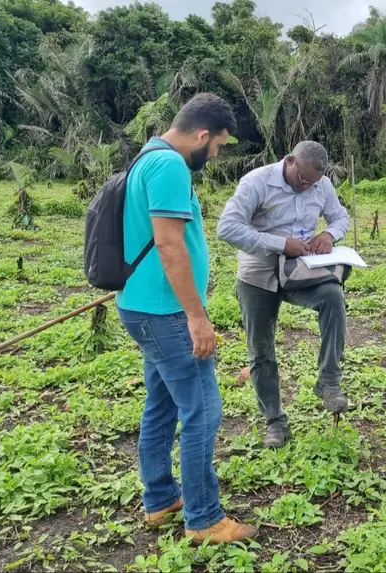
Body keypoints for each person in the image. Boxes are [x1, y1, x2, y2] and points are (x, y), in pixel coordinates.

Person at [116, 93, 258, 544]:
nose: (215, 155)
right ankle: (204, 519)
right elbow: (168, 245)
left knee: (161, 404)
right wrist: (197, 317)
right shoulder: (171, 166)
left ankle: (160, 499)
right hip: (166, 313)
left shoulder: (146, 157)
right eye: (216, 146)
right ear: (201, 135)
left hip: (142, 308)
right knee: (202, 411)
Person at [217, 140, 351, 448]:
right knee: (261, 350)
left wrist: (328, 234)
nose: (307, 187)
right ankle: (275, 422)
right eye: (302, 179)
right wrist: (279, 243)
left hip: (300, 270)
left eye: (313, 183)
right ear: (289, 161)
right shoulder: (257, 182)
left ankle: (329, 382)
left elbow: (340, 217)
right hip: (257, 275)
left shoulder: (322, 185)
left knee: (332, 296)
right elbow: (227, 228)